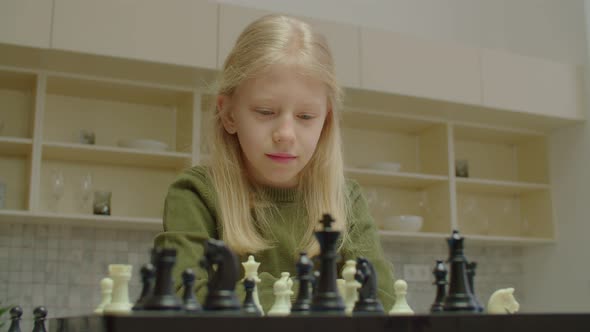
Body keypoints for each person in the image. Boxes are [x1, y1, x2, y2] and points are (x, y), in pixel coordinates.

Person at [153, 14, 395, 313]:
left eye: (306, 117)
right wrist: (323, 292)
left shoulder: (346, 200)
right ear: (228, 114)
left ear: (326, 120)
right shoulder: (195, 195)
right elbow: (183, 300)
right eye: (265, 111)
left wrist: (245, 291)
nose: (285, 135)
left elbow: (383, 302)